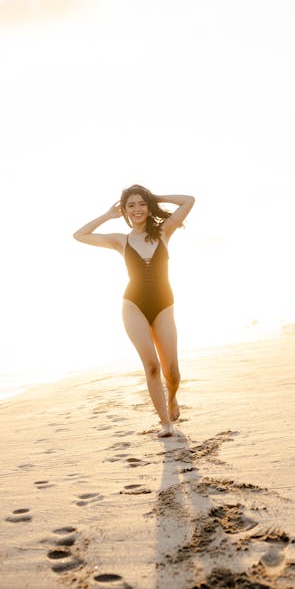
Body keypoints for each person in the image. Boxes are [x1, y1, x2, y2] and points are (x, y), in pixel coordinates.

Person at [74, 185, 195, 438]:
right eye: (131, 205)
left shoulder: (164, 231)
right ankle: (166, 423)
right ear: (125, 211)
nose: (137, 209)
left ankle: (172, 399)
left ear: (148, 207)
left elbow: (188, 200)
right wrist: (108, 216)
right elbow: (80, 235)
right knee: (151, 366)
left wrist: (155, 198)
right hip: (133, 305)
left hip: (164, 305)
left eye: (142, 204)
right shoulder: (121, 240)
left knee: (172, 372)